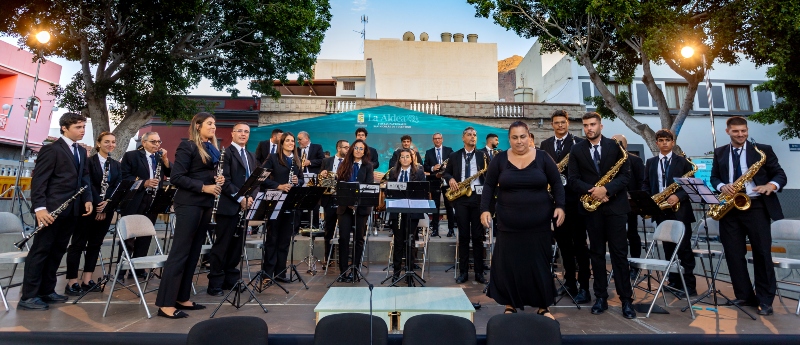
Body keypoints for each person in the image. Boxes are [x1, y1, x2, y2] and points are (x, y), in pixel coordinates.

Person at [480, 121, 565, 318]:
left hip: (539, 225)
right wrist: (484, 209)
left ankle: (543, 306)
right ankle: (510, 304)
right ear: (509, 139)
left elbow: (557, 184)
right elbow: (489, 186)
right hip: (508, 225)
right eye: (515, 137)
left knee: (539, 264)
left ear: (529, 137)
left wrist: (560, 206)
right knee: (510, 264)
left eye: (523, 137)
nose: (519, 141)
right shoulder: (500, 160)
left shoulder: (543, 157)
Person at [710, 116, 787, 316]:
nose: (741, 134)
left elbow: (780, 175)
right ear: (728, 131)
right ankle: (744, 295)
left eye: (743, 130)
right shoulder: (719, 152)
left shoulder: (762, 150)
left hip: (756, 206)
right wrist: (721, 186)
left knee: (762, 254)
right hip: (730, 208)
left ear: (747, 130)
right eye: (736, 131)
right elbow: (714, 177)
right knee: (734, 255)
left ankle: (765, 300)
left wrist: (771, 185)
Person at [19, 113, 93, 311]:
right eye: (78, 127)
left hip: (71, 210)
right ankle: (29, 295)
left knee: (57, 250)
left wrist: (87, 199)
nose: (82, 131)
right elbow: (39, 181)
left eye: (83, 127)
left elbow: (84, 178)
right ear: (64, 128)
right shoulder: (51, 150)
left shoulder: (80, 151)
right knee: (41, 251)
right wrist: (40, 209)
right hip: (50, 211)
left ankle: (47, 290)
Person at [567, 112, 635, 319]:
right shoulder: (576, 149)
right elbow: (572, 179)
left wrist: (607, 190)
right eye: (586, 125)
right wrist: (593, 191)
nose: (589, 128)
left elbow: (625, 175)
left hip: (615, 208)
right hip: (591, 209)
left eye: (593, 124)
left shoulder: (616, 147)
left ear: (601, 126)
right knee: (595, 254)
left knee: (619, 255)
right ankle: (600, 297)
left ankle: (626, 300)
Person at [155, 112, 224, 318]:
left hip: (204, 204)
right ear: (197, 126)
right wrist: (204, 187)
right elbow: (177, 177)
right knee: (180, 253)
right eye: (209, 124)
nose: (213, 127)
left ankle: (182, 297)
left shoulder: (211, 147)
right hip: (189, 203)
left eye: (214, 124)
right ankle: (165, 304)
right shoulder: (188, 146)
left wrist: (216, 180)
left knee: (194, 253)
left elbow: (203, 173)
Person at [540, 110, 591, 304]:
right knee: (564, 246)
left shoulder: (578, 143)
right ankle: (570, 282)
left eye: (563, 122)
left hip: (576, 202)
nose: (560, 125)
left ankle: (584, 287)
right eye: (556, 123)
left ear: (568, 123)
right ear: (551, 124)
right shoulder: (545, 145)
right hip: (555, 203)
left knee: (580, 246)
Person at [64, 132, 121, 296]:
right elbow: (87, 185)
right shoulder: (88, 162)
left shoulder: (116, 165)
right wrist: (97, 205)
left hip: (106, 210)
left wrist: (107, 206)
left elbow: (117, 186)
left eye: (113, 142)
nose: (110, 145)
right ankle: (72, 281)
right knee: (78, 244)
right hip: (87, 209)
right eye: (106, 142)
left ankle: (87, 279)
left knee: (95, 244)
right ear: (98, 144)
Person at [641, 129, 697, 298]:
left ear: (673, 143)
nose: (664, 143)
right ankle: (673, 281)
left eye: (667, 140)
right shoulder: (650, 162)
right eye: (661, 140)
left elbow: (690, 186)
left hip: (680, 212)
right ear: (656, 143)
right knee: (668, 248)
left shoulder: (683, 162)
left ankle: (689, 285)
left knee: (684, 249)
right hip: (661, 211)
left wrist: (678, 196)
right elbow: (645, 183)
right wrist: (650, 199)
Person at [206, 123, 257, 296]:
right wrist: (241, 198)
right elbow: (225, 180)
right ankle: (215, 284)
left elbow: (255, 180)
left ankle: (231, 280)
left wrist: (251, 198)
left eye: (246, 132)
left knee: (236, 247)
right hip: (228, 207)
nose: (243, 134)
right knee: (222, 246)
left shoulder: (251, 155)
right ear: (232, 133)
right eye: (240, 131)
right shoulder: (225, 154)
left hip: (245, 207)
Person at [119, 131, 171, 278]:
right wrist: (144, 183)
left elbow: (171, 172)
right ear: (144, 142)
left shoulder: (160, 157)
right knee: (129, 236)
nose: (157, 145)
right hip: (135, 200)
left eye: (159, 142)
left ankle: (138, 269)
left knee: (146, 235)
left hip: (152, 200)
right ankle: (122, 270)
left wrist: (166, 160)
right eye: (153, 142)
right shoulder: (132, 156)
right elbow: (125, 177)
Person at [443, 127, 488, 284]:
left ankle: (479, 272)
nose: (473, 137)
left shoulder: (482, 155)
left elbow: (488, 174)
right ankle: (463, 272)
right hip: (461, 197)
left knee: (477, 236)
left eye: (475, 135)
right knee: (463, 236)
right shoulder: (454, 155)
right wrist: (450, 179)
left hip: (477, 197)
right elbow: (446, 172)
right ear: (463, 138)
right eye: (469, 135)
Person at [261, 132, 305, 283]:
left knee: (285, 239)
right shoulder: (272, 158)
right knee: (273, 238)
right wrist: (278, 186)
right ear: (281, 143)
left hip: (290, 202)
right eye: (288, 141)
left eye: (293, 141)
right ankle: (267, 273)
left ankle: (280, 273)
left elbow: (301, 179)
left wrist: (297, 181)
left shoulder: (296, 161)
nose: (291, 143)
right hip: (275, 201)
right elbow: (262, 178)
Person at [333, 139, 374, 282]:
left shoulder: (368, 166)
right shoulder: (344, 164)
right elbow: (339, 185)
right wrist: (348, 201)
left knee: (358, 239)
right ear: (352, 149)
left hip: (361, 209)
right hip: (345, 208)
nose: (358, 150)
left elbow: (368, 186)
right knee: (343, 238)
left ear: (365, 151)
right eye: (356, 148)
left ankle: (355, 271)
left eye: (361, 148)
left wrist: (357, 202)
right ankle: (343, 271)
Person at [387, 148, 427, 280]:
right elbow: (390, 192)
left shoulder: (419, 173)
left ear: (412, 158)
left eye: (407, 157)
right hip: (397, 212)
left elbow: (422, 193)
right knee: (398, 242)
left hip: (412, 212)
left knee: (410, 241)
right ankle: (396, 272)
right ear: (399, 159)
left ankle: (409, 272)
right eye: (402, 157)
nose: (405, 159)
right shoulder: (393, 172)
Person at [611, 134, 645, 276]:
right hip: (613, 204)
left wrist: (634, 195)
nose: (617, 145)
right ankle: (619, 267)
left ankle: (635, 267)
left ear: (626, 145)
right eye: (614, 143)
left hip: (631, 204)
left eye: (620, 143)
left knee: (632, 234)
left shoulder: (635, 161)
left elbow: (642, 181)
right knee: (616, 236)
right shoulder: (608, 160)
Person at [319, 140, 349, 261]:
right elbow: (320, 178)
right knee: (329, 229)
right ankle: (328, 258)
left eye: (348, 147)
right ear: (338, 148)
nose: (348, 150)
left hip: (343, 199)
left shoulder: (350, 162)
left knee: (344, 230)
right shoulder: (326, 161)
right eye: (345, 147)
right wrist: (322, 174)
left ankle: (343, 258)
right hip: (329, 198)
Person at [423, 133, 455, 238]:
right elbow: (425, 167)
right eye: (435, 139)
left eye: (439, 138)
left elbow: (454, 163)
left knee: (449, 206)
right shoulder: (429, 152)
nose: (437, 140)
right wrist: (433, 168)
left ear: (442, 139)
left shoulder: (449, 150)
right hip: (435, 181)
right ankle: (435, 229)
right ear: (433, 140)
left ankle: (451, 230)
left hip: (447, 182)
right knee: (435, 207)